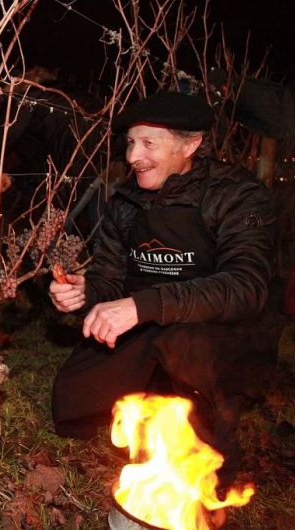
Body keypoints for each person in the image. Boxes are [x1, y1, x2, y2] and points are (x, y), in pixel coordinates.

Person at [48, 91, 284, 480]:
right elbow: (109, 277)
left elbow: (246, 286)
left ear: (190, 144)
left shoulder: (237, 196)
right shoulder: (125, 202)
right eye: (129, 143)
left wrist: (141, 306)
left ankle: (201, 448)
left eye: (148, 144)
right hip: (147, 322)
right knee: (74, 401)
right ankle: (151, 391)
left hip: (217, 331)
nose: (132, 157)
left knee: (186, 348)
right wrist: (85, 292)